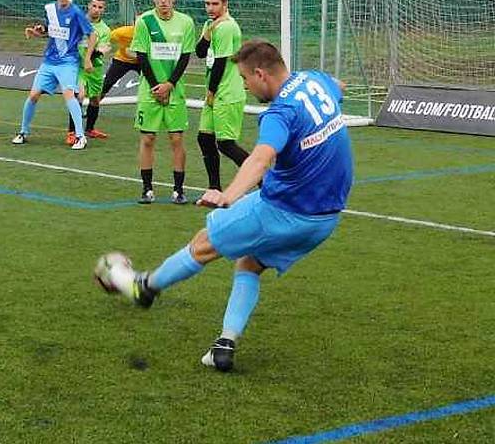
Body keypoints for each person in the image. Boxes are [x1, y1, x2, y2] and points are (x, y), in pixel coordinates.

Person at [101, 39, 353, 372]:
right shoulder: (316, 81)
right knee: (249, 264)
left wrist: (229, 195)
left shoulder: (279, 114)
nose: (246, 87)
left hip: (283, 211)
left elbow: (262, 157)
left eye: (246, 80)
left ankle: (143, 287)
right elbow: (338, 86)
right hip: (324, 221)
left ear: (261, 74)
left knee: (203, 245)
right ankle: (225, 344)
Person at [130, 0, 196, 204]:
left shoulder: (186, 22)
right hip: (150, 91)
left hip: (175, 91)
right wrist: (157, 87)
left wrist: (170, 85)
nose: (164, 0)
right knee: (147, 138)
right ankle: (147, 189)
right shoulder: (144, 22)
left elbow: (185, 56)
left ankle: (179, 190)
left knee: (176, 139)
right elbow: (141, 55)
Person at [12, 0, 96, 150]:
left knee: (69, 95)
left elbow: (92, 35)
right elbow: (50, 30)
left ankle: (80, 136)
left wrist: (87, 58)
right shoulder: (49, 9)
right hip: (49, 61)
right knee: (33, 95)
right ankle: (23, 132)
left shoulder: (76, 13)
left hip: (68, 62)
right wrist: (37, 32)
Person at [194, 0, 250, 198]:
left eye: (215, 4)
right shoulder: (211, 24)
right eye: (207, 3)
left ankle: (264, 180)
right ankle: (214, 188)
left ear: (225, 5)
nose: (210, 8)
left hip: (226, 92)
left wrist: (211, 91)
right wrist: (207, 34)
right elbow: (200, 52)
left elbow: (219, 62)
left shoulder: (226, 27)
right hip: (216, 93)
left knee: (225, 143)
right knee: (204, 139)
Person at [66, 0, 111, 143]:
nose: (96, 10)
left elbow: (103, 48)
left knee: (95, 100)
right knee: (79, 95)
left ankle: (90, 129)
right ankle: (72, 132)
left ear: (104, 10)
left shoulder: (104, 29)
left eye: (100, 7)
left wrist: (95, 55)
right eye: (94, 6)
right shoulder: (78, 22)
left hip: (95, 69)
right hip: (78, 67)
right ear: (88, 6)